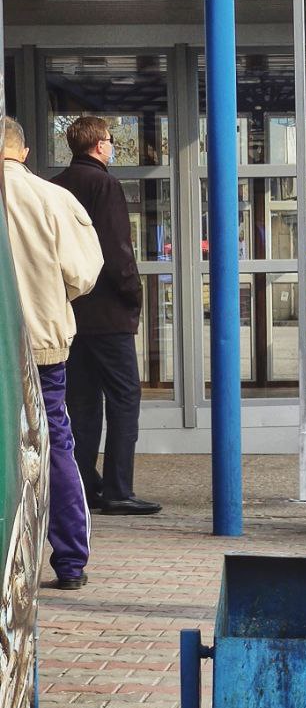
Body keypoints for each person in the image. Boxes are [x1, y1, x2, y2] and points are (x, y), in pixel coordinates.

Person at [2, 118, 104, 589]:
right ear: (21, 152)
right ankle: (69, 561)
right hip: (42, 345)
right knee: (55, 442)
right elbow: (84, 272)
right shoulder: (52, 197)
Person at [54, 116, 161, 515]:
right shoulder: (106, 185)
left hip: (72, 312)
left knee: (81, 403)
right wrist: (133, 295)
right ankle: (119, 489)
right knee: (123, 398)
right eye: (111, 140)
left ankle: (83, 484)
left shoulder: (57, 186)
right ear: (100, 145)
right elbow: (117, 249)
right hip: (108, 315)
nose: (113, 146)